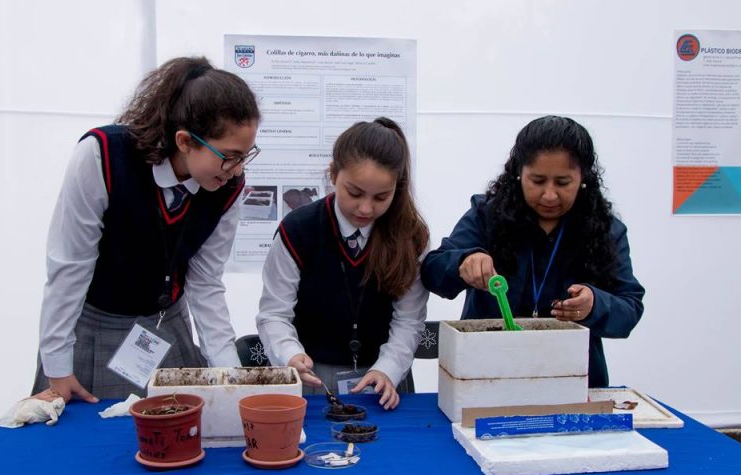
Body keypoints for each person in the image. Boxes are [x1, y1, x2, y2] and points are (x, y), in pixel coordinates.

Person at [32, 56, 260, 403]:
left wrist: (228, 374)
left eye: (246, 154)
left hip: (165, 323)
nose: (237, 168)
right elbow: (69, 267)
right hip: (94, 324)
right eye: (229, 155)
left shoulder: (227, 186)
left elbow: (206, 281)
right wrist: (59, 366)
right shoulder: (102, 156)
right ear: (185, 141)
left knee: (182, 433)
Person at [421, 115, 644, 387]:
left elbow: (630, 307)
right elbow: (432, 270)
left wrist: (595, 304)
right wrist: (463, 261)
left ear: (583, 178)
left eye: (563, 183)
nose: (549, 195)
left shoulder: (607, 230)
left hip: (572, 380)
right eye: (537, 181)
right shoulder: (487, 215)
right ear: (519, 173)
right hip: (486, 375)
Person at [257, 118, 429, 409]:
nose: (365, 208)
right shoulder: (298, 230)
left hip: (384, 379)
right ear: (333, 174)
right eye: (355, 192)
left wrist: (387, 370)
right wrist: (289, 355)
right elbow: (274, 313)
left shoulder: (410, 236)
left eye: (381, 197)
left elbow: (409, 320)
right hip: (313, 377)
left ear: (397, 188)